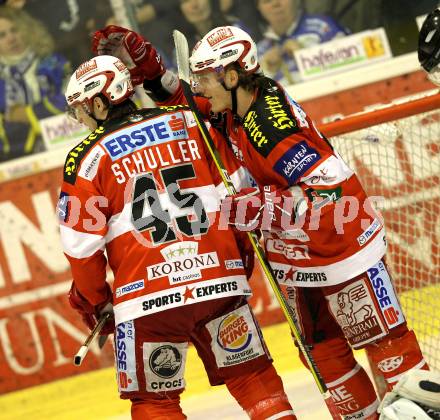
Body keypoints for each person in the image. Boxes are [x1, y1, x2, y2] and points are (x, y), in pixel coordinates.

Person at [92, 24, 430, 419]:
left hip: (338, 250)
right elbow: (190, 106)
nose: (199, 87)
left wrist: (265, 203)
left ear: (232, 76)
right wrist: (151, 72)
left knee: (384, 342)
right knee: (320, 353)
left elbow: (331, 190)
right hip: (294, 256)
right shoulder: (238, 105)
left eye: (205, 78)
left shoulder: (270, 127)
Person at [58, 54, 295, 419]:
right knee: (252, 375)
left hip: (146, 300)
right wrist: (239, 260)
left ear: (101, 102)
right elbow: (238, 193)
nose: (80, 121)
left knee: (154, 402)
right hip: (219, 281)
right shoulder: (190, 121)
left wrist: (95, 301)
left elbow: (80, 248)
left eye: (81, 111)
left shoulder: (85, 158)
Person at [0, 6, 69, 161]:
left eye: (15, 30)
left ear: (27, 30)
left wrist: (29, 114)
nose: (11, 38)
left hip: (67, 144)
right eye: (2, 35)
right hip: (17, 159)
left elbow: (74, 100)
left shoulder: (55, 64)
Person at [256, 0, 349, 85]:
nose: (275, 4)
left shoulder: (323, 27)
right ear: (259, 8)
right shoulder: (257, 53)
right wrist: (268, 72)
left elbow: (352, 64)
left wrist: (306, 58)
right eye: (267, 1)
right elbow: (252, 99)